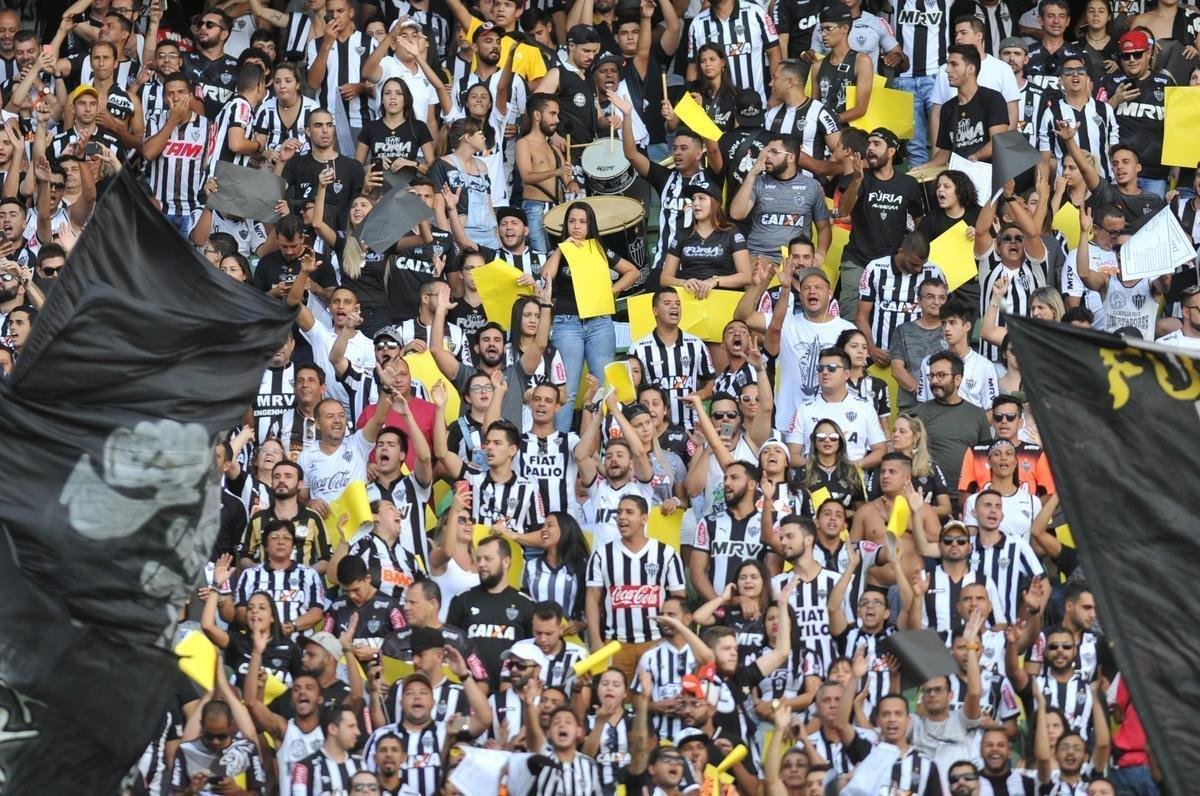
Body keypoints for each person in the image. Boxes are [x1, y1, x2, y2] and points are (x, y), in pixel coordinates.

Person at [537, 200, 640, 431]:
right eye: (572, 221)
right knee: (567, 390)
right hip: (567, 323)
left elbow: (633, 271)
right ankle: (560, 443)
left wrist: (612, 291)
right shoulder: (561, 251)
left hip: (600, 322)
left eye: (582, 222)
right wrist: (561, 248)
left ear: (590, 225)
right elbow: (546, 277)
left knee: (604, 386)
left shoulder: (600, 249)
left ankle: (602, 443)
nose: (576, 226)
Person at [586, 494, 687, 680]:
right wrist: (596, 640)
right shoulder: (602, 554)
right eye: (618, 512)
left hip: (657, 640)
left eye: (629, 512)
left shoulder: (667, 554)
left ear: (644, 519)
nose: (621, 517)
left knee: (653, 700)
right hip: (615, 643)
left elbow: (679, 599)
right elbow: (592, 598)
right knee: (616, 701)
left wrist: (674, 638)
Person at [838, 127, 925, 321]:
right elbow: (843, 210)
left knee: (884, 321)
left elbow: (920, 223)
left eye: (877, 144)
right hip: (857, 261)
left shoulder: (908, 184)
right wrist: (858, 179)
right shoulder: (859, 177)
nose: (870, 148)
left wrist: (912, 252)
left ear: (892, 151)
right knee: (851, 321)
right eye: (868, 144)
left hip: (892, 265)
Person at [445, 535, 536, 690]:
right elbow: (449, 647)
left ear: (506, 562)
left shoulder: (526, 604)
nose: (481, 564)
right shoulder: (462, 600)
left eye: (488, 559)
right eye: (479, 559)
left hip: (511, 693)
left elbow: (532, 654)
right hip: (470, 691)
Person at [730, 136, 832, 261]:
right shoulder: (758, 182)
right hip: (758, 256)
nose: (767, 156)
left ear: (791, 157)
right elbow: (736, 214)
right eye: (767, 151)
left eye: (774, 152)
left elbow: (824, 227)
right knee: (757, 277)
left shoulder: (812, 186)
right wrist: (752, 173)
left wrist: (820, 254)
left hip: (795, 259)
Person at [786, 347, 887, 469]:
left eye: (832, 368)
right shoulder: (804, 409)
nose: (825, 372)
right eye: (820, 368)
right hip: (814, 480)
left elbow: (881, 450)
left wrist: (854, 465)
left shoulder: (865, 408)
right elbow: (792, 455)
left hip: (853, 479)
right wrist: (819, 468)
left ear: (846, 374)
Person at [856, 231, 944, 366]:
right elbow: (862, 316)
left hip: (919, 356)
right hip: (880, 354)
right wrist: (871, 349)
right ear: (901, 251)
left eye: (923, 264)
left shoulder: (934, 272)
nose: (919, 269)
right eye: (914, 264)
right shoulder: (876, 269)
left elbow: (942, 316)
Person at [929, 44, 1010, 165]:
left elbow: (998, 142)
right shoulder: (947, 108)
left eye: (954, 64)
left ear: (971, 69)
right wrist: (924, 168)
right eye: (948, 64)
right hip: (960, 177)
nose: (947, 70)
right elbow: (945, 151)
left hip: (988, 172)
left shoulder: (992, 98)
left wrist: (974, 158)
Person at [915, 300, 999, 409]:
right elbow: (922, 404)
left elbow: (990, 410)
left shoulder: (985, 366)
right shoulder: (928, 362)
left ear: (967, 326)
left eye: (952, 323)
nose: (947, 328)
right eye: (944, 323)